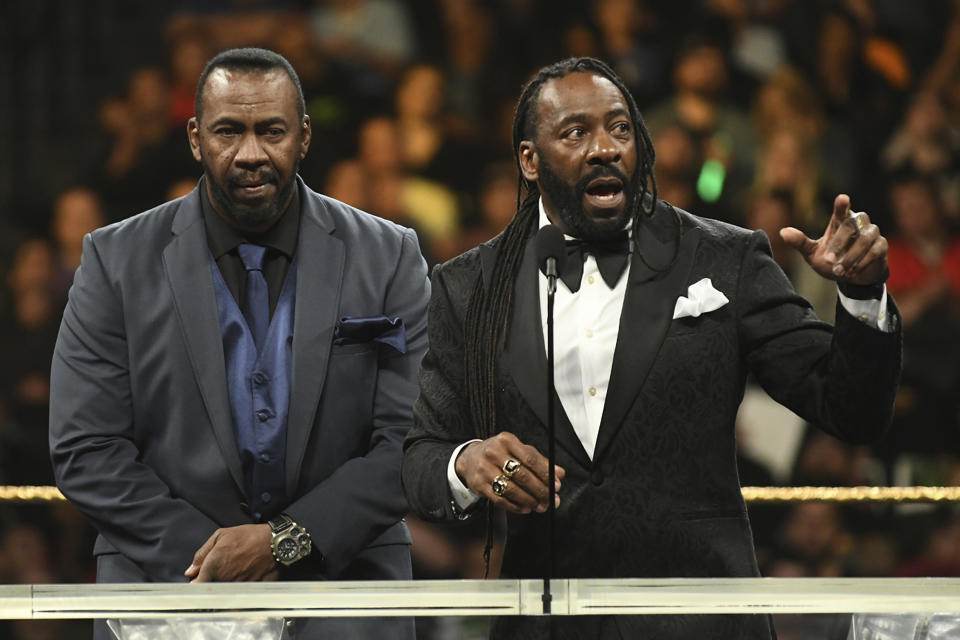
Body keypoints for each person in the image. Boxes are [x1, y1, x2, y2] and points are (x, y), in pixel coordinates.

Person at [402, 57, 901, 639]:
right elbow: (421, 459)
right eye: (575, 132)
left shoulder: (723, 259)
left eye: (620, 128)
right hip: (551, 623)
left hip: (702, 624)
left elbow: (851, 410)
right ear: (528, 160)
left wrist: (863, 296)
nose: (605, 148)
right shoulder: (470, 286)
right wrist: (467, 463)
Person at [50, 47, 429, 640]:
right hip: (163, 587)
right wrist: (211, 564)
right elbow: (85, 447)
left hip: (347, 589)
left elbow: (411, 442)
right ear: (196, 138)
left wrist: (286, 543)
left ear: (303, 136)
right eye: (230, 131)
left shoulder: (389, 254)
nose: (251, 154)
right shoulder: (114, 260)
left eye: (270, 131)